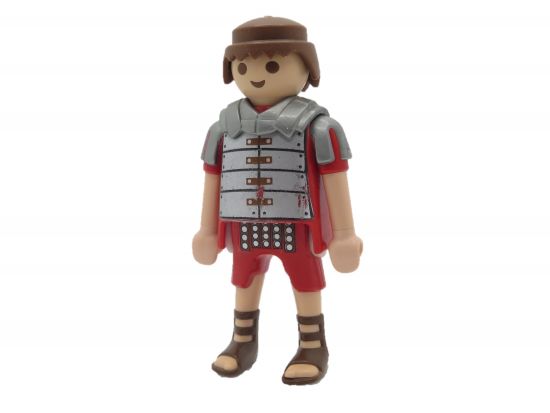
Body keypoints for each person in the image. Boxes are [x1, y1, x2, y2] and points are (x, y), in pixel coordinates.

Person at [192, 16, 362, 385]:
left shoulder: (319, 128)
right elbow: (214, 178)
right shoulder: (223, 129)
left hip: (297, 225)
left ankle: (312, 345)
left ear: (306, 68)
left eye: (272, 66)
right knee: (244, 279)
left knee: (305, 279)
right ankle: (242, 341)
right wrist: (208, 231)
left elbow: (335, 179)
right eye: (243, 66)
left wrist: (344, 235)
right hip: (242, 225)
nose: (255, 76)